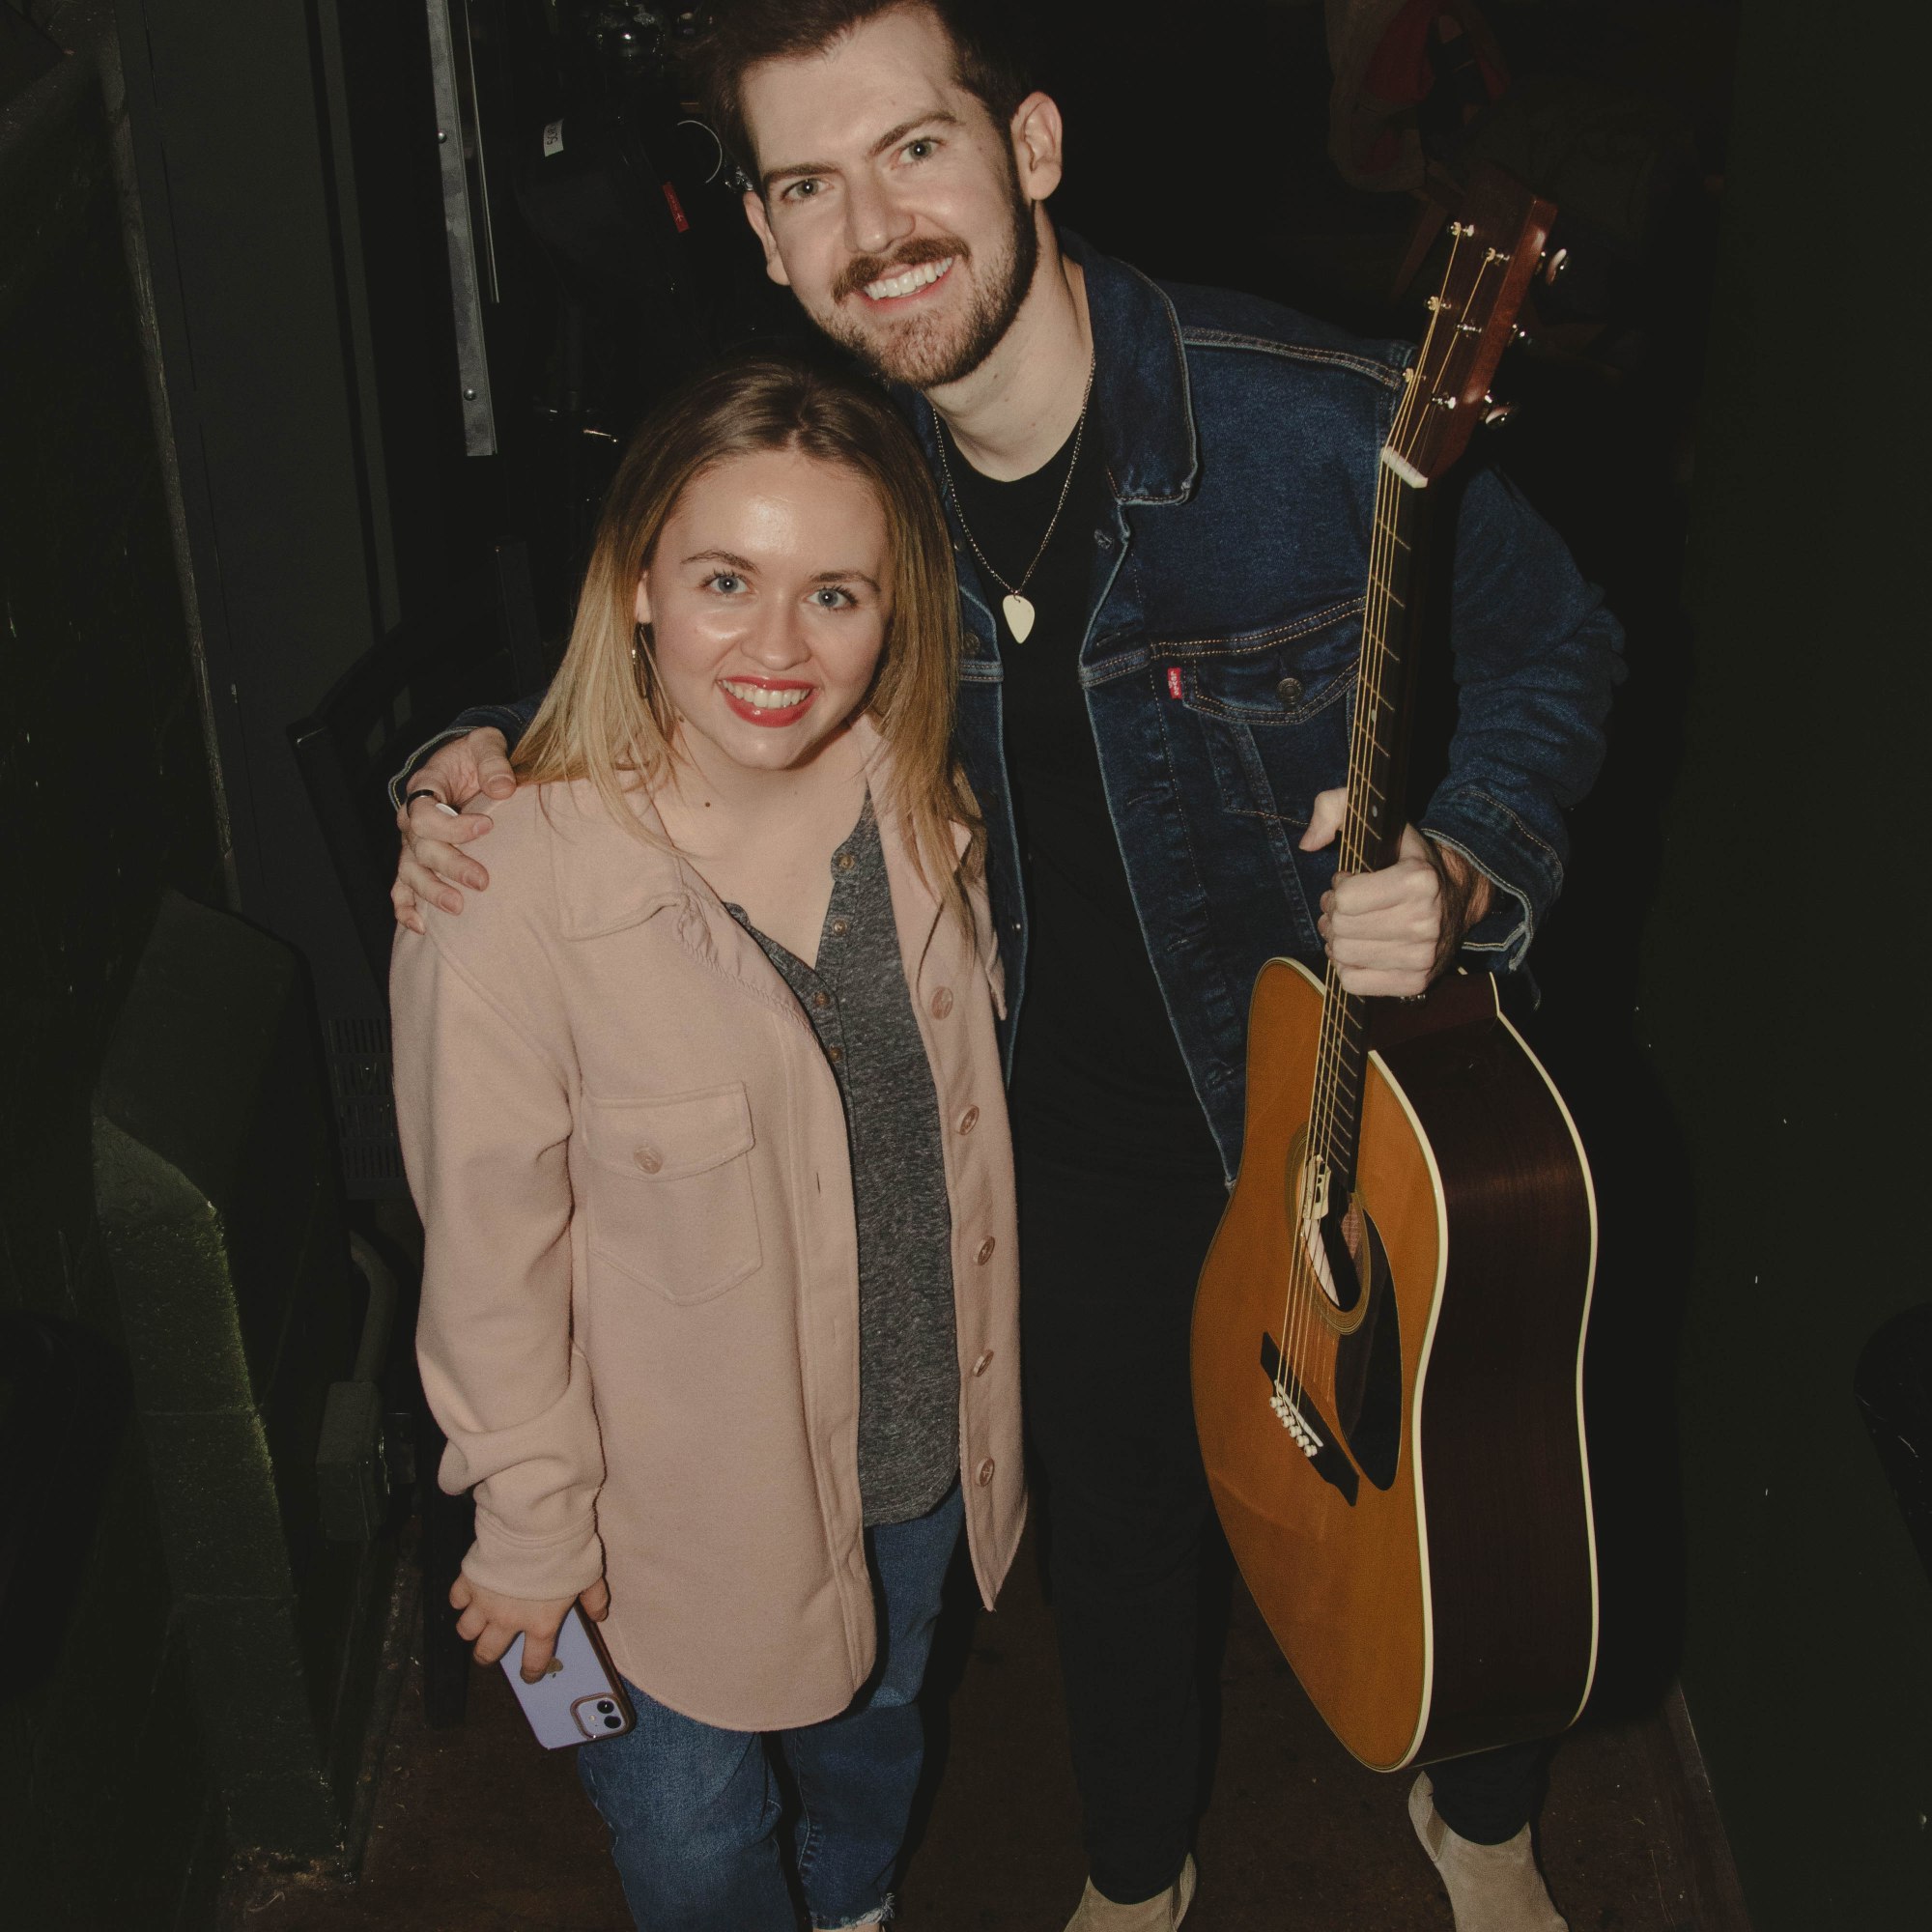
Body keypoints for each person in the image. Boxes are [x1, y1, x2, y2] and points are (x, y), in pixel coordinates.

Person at [391, 7, 1624, 1928]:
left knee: (1462, 1466)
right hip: (1056, 1128)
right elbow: (698, 654)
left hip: (1347, 1080)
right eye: (808, 185)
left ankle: (1481, 1812)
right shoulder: (855, 492)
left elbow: (1558, 641)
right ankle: (1137, 1870)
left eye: (912, 151)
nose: (872, 226)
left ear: (1029, 147)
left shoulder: (1305, 411)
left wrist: (1467, 859)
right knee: (1114, 1523)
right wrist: (467, 754)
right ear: (776, 246)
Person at [390, 347, 1023, 1932]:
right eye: (726, 578)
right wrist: (530, 1519)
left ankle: (858, 1903)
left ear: (897, 616)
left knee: (878, 1728)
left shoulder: (933, 799)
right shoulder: (506, 893)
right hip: (658, 1518)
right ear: (636, 587)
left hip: (921, 1453)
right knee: (688, 1837)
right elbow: (487, 1256)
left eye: (837, 595)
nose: (775, 647)